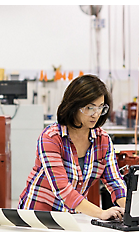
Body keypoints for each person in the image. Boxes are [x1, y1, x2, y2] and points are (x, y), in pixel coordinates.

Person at [18, 74, 127, 220]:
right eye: (90, 108)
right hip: (38, 215)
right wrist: (101, 213)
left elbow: (115, 182)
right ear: (74, 106)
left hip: (71, 217)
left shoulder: (103, 141)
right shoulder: (51, 138)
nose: (96, 114)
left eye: (101, 107)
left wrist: (132, 210)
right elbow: (62, 189)